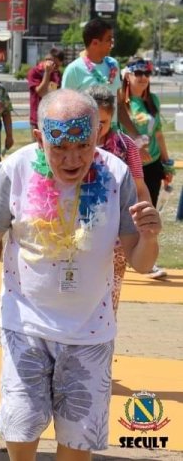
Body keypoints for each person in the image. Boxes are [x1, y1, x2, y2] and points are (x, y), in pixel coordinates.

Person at [0, 88, 161, 461]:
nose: (73, 158)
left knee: (77, 446)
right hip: (25, 329)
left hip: (90, 333)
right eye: (60, 147)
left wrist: (150, 236)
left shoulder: (116, 174)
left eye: (83, 145)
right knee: (22, 432)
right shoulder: (14, 170)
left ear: (97, 136)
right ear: (40, 136)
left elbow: (140, 262)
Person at [86, 85, 150, 316]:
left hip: (116, 236)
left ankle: (103, 344)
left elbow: (140, 188)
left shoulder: (126, 146)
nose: (98, 128)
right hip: (77, 231)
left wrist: (146, 221)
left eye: (104, 122)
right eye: (93, 121)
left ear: (112, 116)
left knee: (109, 300)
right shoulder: (73, 144)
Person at [116, 57, 172, 280]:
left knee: (149, 211)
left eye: (147, 74)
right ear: (127, 76)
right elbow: (119, 133)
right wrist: (136, 149)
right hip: (129, 164)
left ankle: (147, 261)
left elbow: (158, 133)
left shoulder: (153, 100)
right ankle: (125, 255)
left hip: (153, 163)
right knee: (126, 211)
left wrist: (167, 163)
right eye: (138, 73)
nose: (143, 78)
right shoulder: (121, 103)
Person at [61, 18, 120, 95]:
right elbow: (65, 102)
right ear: (95, 43)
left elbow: (119, 97)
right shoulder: (74, 70)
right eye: (108, 40)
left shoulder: (114, 65)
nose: (112, 44)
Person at [27, 47, 64, 132]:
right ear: (48, 60)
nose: (55, 68)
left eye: (58, 66)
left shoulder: (57, 73)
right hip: (38, 118)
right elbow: (41, 92)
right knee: (38, 144)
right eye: (54, 65)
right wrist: (47, 73)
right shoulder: (34, 72)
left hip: (53, 117)